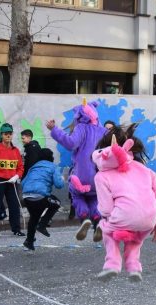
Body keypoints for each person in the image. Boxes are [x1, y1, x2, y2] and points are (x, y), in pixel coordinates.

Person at [92, 127, 156, 282]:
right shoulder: (144, 170)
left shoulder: (102, 176)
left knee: (106, 229)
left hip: (124, 216)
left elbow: (106, 209)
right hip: (150, 218)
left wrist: (111, 219)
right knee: (135, 240)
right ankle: (134, 267)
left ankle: (112, 264)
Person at [46, 99, 107, 242]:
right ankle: (97, 221)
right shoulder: (104, 131)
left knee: (77, 196)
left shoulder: (81, 128)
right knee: (94, 198)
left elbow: (71, 143)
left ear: (80, 116)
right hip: (98, 175)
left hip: (81, 175)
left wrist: (54, 130)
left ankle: (84, 218)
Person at [21, 148, 64, 251]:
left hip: (27, 197)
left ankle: (29, 241)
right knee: (56, 203)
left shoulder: (33, 167)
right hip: (40, 196)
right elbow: (59, 185)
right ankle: (43, 224)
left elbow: (23, 183)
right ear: (51, 157)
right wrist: (61, 179)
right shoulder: (53, 167)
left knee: (34, 218)